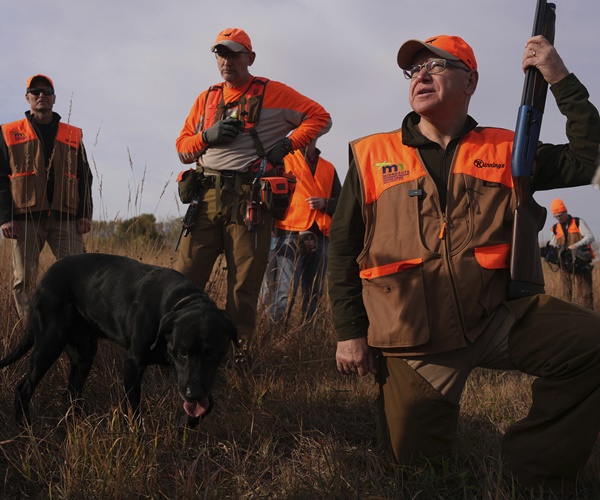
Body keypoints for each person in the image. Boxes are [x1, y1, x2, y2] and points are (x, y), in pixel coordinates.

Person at [328, 34, 600, 495]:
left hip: (497, 317)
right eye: (414, 70)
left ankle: (532, 474)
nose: (422, 75)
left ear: (470, 80)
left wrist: (560, 78)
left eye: (436, 65)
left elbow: (588, 158)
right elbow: (341, 247)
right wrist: (350, 332)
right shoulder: (371, 154)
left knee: (593, 345)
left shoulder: (508, 148)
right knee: (415, 477)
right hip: (414, 341)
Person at [175, 28, 331, 364]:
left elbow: (321, 118)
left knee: (243, 287)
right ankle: (177, 352)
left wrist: (287, 146)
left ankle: (235, 359)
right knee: (184, 279)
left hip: (250, 202)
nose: (226, 61)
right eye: (221, 54)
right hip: (206, 197)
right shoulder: (206, 98)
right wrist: (206, 136)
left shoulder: (273, 92)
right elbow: (183, 149)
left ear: (250, 58)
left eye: (234, 54)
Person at [0, 74, 93, 318]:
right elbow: (1, 177)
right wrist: (5, 217)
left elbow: (85, 176)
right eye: (35, 91)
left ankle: (76, 332)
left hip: (66, 218)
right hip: (25, 218)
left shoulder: (72, 134)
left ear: (54, 97)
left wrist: (85, 214)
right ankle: (32, 334)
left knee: (81, 276)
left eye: (47, 91)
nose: (41, 95)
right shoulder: (9, 132)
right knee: (25, 281)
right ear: (27, 97)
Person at [262, 139, 341, 325]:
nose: (308, 137)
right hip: (287, 234)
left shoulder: (328, 167)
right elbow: (266, 193)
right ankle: (273, 338)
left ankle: (308, 339)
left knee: (315, 293)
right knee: (282, 294)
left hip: (321, 236)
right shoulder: (282, 161)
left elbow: (341, 200)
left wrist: (325, 203)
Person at [548, 198, 595, 310]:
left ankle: (588, 319)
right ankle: (569, 317)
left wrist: (576, 245)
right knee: (566, 293)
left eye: (560, 215)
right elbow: (552, 245)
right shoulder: (555, 228)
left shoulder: (578, 222)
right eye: (556, 216)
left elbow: (590, 237)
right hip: (565, 265)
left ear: (566, 211)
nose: (559, 218)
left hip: (581, 263)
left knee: (585, 294)